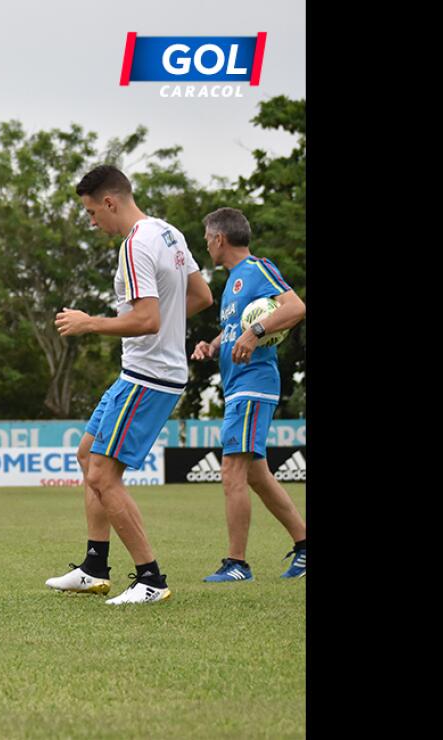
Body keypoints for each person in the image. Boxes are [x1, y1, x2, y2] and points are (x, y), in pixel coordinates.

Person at [46, 165, 213, 605]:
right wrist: (167, 324)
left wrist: (89, 323)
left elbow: (147, 319)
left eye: (91, 212)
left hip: (148, 375)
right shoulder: (168, 233)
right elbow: (201, 296)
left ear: (109, 202)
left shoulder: (135, 244)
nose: (91, 222)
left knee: (103, 474)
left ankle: (150, 578)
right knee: (88, 455)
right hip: (142, 372)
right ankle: (94, 568)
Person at [191, 207, 307, 581]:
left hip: (253, 384)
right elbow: (234, 331)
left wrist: (255, 332)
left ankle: (237, 564)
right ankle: (305, 546)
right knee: (257, 476)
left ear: (219, 239)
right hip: (238, 386)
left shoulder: (257, 269)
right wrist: (212, 345)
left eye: (207, 239)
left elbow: (296, 307)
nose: (207, 246)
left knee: (231, 470)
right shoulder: (232, 283)